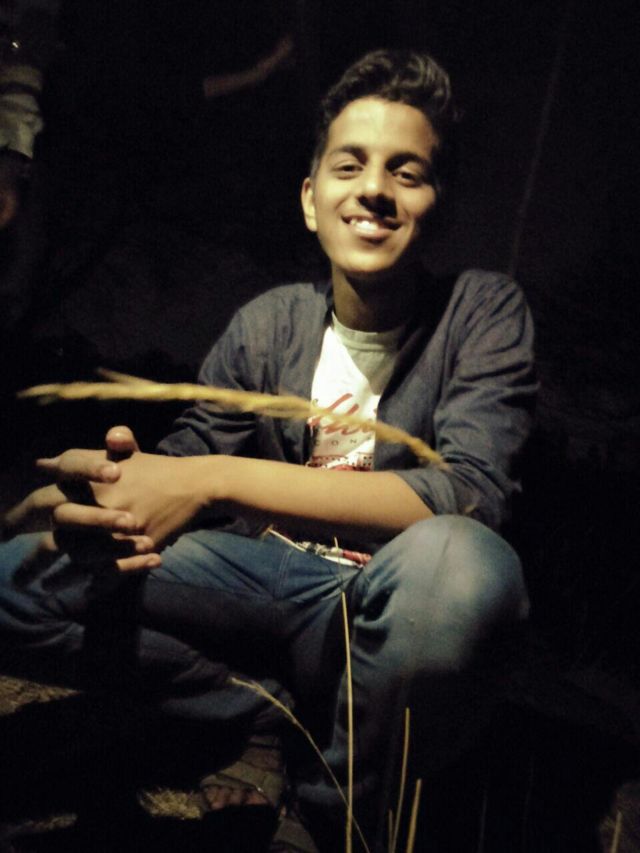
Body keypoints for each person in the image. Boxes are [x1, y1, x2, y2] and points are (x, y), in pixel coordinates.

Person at [0, 49, 536, 852]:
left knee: (461, 569)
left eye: (408, 171)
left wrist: (213, 478)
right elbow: (187, 459)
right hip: (258, 587)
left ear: (439, 204)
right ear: (311, 199)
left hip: (378, 606)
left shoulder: (482, 310)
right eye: (349, 165)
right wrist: (108, 494)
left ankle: (333, 809)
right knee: (21, 574)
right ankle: (262, 711)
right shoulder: (269, 321)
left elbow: (466, 492)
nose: (375, 189)